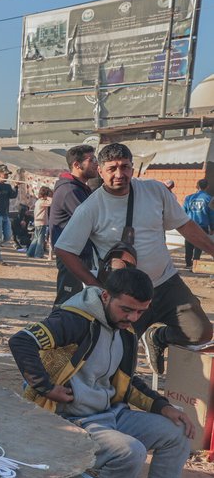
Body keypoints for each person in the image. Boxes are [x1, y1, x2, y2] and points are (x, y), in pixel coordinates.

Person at [9, 268, 203, 478]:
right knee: (130, 451)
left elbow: (126, 382)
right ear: (105, 295)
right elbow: (21, 340)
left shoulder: (124, 331)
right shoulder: (73, 319)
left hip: (111, 413)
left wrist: (163, 406)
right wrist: (46, 386)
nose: (133, 318)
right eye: (127, 309)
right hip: (71, 420)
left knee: (177, 432)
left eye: (140, 312)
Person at [54, 143, 214, 374]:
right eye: (112, 169)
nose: (120, 174)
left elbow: (186, 226)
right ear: (100, 171)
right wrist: (95, 285)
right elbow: (65, 249)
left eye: (125, 167)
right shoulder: (91, 208)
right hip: (125, 295)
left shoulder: (155, 191)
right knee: (119, 361)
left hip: (165, 283)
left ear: (132, 168)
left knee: (200, 332)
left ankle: (157, 337)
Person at [49, 144, 99, 306]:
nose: (96, 163)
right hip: (71, 257)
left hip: (81, 255)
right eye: (91, 160)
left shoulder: (81, 188)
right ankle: (58, 330)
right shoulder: (70, 191)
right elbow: (93, 220)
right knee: (66, 303)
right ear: (77, 165)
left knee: (80, 302)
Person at [182, 179, 213, 269]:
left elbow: (183, 212)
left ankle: (188, 264)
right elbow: (212, 214)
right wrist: (212, 227)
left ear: (197, 186)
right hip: (202, 226)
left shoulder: (188, 198)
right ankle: (195, 264)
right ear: (207, 187)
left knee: (188, 245)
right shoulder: (210, 199)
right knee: (199, 245)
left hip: (189, 225)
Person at [0, 164, 17, 265]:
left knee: (7, 236)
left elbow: (13, 195)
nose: (6, 176)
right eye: (5, 174)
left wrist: (16, 187)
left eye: (7, 174)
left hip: (5, 214)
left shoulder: (7, 186)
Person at [26, 186, 52, 258]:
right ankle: (38, 254)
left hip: (37, 223)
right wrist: (48, 197)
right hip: (41, 223)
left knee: (36, 238)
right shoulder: (42, 202)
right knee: (40, 239)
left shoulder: (38, 201)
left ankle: (30, 253)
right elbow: (52, 202)